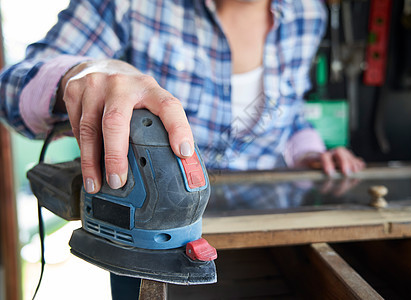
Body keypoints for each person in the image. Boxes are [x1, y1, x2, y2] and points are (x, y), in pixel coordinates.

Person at [0, 0, 365, 298]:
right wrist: (81, 75)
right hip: (152, 248)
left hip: (268, 232)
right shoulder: (129, 5)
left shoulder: (308, 13)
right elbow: (11, 89)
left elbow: (289, 110)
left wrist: (309, 151)